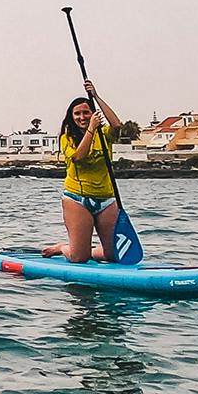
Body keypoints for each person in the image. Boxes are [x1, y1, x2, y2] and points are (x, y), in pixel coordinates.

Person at [43, 80, 124, 263]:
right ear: (71, 117)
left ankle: (88, 251)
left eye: (86, 112)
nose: (82, 117)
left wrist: (96, 96)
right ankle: (63, 248)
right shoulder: (67, 138)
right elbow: (78, 157)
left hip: (106, 198)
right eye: (77, 114)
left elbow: (118, 126)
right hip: (77, 199)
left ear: (93, 113)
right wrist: (91, 128)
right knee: (79, 258)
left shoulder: (104, 134)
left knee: (113, 255)